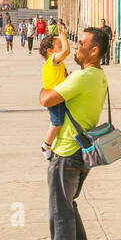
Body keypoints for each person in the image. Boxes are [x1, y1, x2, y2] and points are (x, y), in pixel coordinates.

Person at [38, 26, 109, 240]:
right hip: (82, 150)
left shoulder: (81, 79)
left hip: (67, 150)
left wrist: (42, 92)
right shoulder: (99, 77)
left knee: (60, 210)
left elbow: (47, 100)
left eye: (81, 43)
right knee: (69, 204)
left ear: (94, 50)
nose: (75, 47)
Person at [39, 22, 71, 157]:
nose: (62, 47)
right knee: (57, 123)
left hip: (56, 95)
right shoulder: (53, 59)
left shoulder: (54, 63)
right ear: (50, 51)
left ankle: (52, 142)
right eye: (59, 46)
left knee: (56, 120)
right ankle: (46, 145)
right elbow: (67, 51)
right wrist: (63, 36)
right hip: (56, 97)